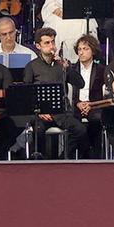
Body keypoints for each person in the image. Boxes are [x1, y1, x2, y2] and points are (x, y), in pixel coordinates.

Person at [21, 27, 88, 159]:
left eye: (53, 42)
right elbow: (26, 93)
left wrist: (68, 69)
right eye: (47, 43)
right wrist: (38, 111)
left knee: (81, 130)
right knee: (38, 130)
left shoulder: (62, 64)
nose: (51, 46)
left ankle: (62, 159)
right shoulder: (32, 66)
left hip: (62, 113)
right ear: (38, 46)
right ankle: (42, 160)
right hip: (40, 114)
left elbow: (80, 83)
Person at [66, 35, 107, 159]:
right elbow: (69, 93)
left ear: (93, 51)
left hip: (94, 106)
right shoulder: (71, 70)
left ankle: (93, 156)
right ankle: (79, 155)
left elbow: (103, 94)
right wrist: (78, 103)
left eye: (85, 49)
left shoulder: (101, 70)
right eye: (79, 49)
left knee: (96, 120)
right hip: (76, 106)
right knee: (74, 122)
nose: (81, 52)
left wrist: (91, 105)